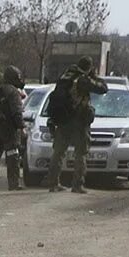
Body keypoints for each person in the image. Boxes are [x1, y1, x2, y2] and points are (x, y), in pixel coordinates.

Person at [44, 60, 107, 192]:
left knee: (58, 152)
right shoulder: (82, 80)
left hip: (63, 120)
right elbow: (103, 88)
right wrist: (93, 76)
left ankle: (53, 183)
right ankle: (77, 184)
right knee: (81, 153)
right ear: (89, 68)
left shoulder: (65, 76)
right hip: (78, 120)